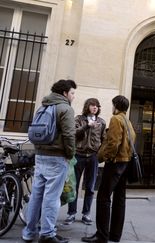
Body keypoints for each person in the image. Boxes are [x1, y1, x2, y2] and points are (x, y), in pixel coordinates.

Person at [22, 79, 77, 243]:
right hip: (56, 157)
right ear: (65, 93)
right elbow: (69, 135)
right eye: (72, 93)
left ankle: (29, 232)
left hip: (40, 155)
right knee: (51, 197)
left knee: (36, 196)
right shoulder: (65, 108)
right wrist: (70, 154)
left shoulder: (43, 106)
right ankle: (47, 233)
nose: (73, 96)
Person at [82, 95, 136, 243]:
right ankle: (115, 235)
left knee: (103, 198)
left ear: (116, 106)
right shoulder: (127, 121)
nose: (112, 108)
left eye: (113, 105)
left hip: (115, 162)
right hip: (125, 163)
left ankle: (102, 235)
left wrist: (103, 157)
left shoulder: (116, 119)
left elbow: (113, 143)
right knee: (119, 199)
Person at [64, 98, 106, 225]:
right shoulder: (79, 119)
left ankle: (86, 214)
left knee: (90, 187)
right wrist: (87, 126)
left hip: (93, 156)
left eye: (97, 106)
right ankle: (71, 213)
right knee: (74, 186)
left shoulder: (101, 122)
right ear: (87, 106)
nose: (95, 107)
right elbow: (74, 133)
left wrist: (100, 153)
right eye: (92, 105)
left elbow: (104, 139)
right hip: (79, 155)